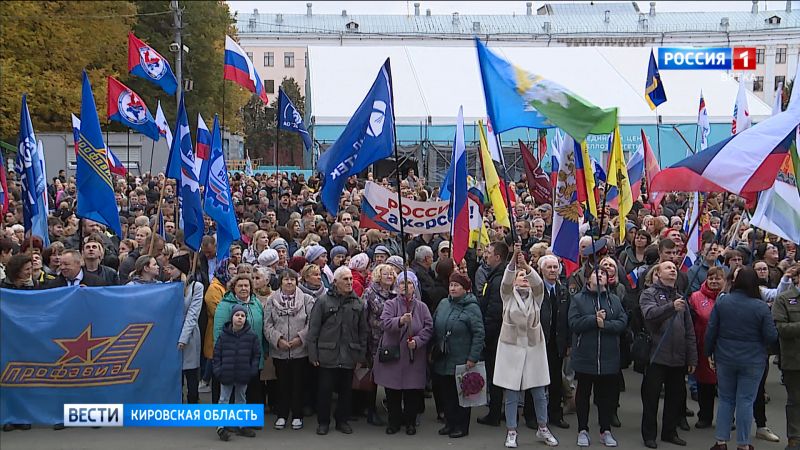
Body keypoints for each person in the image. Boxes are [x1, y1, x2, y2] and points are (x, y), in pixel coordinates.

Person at [705, 266, 778, 450]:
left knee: (726, 399)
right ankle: (743, 444)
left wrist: (708, 352)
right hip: (753, 359)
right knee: (746, 400)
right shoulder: (761, 306)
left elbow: (711, 329)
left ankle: (721, 441)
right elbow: (771, 336)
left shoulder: (723, 302)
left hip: (725, 356)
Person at [496, 244, 558, 448]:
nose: (523, 279)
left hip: (533, 349)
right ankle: (511, 431)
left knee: (539, 392)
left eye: (526, 277)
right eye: (520, 276)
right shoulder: (507, 297)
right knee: (512, 394)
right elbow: (505, 280)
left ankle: (543, 428)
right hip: (511, 351)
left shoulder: (537, 297)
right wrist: (514, 260)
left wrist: (527, 267)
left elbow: (539, 284)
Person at [639, 261, 697, 449]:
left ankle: (669, 432)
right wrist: (671, 307)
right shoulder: (649, 294)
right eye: (668, 267)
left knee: (675, 397)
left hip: (678, 356)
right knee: (651, 398)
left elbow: (689, 330)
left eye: (674, 268)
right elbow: (650, 315)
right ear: (658, 273)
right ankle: (649, 435)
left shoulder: (681, 297)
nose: (672, 270)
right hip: (657, 354)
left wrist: (692, 357)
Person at [568, 267, 627, 448]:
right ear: (588, 278)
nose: (600, 275)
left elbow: (622, 322)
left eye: (604, 274)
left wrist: (605, 325)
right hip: (586, 355)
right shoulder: (578, 299)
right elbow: (574, 323)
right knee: (583, 394)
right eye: (596, 273)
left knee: (605, 397)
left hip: (609, 356)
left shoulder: (614, 300)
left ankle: (605, 430)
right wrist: (593, 319)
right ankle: (582, 430)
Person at [307, 266, 368, 436]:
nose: (349, 282)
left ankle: (342, 420)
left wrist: (361, 355)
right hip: (327, 354)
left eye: (350, 279)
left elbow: (363, 331)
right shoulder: (323, 301)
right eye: (345, 279)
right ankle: (323, 422)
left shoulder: (358, 303)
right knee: (325, 391)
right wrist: (313, 353)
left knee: (346, 391)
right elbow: (314, 329)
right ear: (335, 282)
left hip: (349, 354)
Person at [373, 270, 433, 436]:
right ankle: (394, 422)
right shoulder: (391, 304)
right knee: (392, 393)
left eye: (409, 284)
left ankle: (410, 422)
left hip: (413, 357)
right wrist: (399, 321)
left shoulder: (421, 307)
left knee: (411, 393)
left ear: (414, 287)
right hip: (394, 355)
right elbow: (384, 323)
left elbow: (428, 328)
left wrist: (418, 341)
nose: (405, 287)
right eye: (402, 284)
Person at [431, 272, 485, 439]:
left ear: (465, 289)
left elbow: (479, 333)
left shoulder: (472, 308)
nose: (453, 288)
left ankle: (461, 426)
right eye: (451, 285)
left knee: (461, 394)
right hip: (443, 357)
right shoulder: (443, 303)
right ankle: (449, 422)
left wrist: (472, 357)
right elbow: (435, 323)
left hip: (462, 357)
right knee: (446, 393)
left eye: (457, 286)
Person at [263, 269, 315, 431]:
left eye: (292, 279)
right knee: (282, 384)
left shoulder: (307, 300)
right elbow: (267, 324)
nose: (289, 282)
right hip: (280, 351)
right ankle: (282, 415)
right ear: (281, 282)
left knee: (298, 384)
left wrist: (300, 338)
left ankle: (297, 415)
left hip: (300, 350)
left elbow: (311, 323)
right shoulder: (272, 300)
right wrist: (278, 340)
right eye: (286, 279)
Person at [214, 274, 265, 410]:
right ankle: (227, 424)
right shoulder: (225, 305)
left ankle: (247, 423)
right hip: (230, 360)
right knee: (229, 396)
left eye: (246, 285)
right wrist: (219, 364)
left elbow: (263, 328)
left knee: (251, 392)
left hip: (252, 357)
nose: (244, 288)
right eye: (240, 286)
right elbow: (219, 332)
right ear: (233, 288)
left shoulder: (256, 303)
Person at [213, 305, 261, 441]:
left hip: (242, 373)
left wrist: (252, 370)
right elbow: (217, 354)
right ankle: (220, 427)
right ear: (232, 317)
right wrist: (218, 370)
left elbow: (256, 354)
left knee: (241, 399)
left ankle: (241, 424)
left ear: (245, 319)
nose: (240, 318)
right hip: (226, 373)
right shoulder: (223, 336)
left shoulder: (251, 336)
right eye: (237, 315)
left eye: (242, 316)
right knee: (224, 399)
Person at [688, 266, 726, 429]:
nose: (714, 281)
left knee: (726, 387)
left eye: (718, 278)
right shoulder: (696, 297)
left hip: (725, 348)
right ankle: (704, 416)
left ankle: (726, 419)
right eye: (711, 278)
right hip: (703, 347)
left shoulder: (729, 297)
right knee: (705, 385)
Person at [477, 241, 510, 427]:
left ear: (497, 257)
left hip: (496, 336)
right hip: (498, 335)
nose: (486, 255)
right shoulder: (497, 276)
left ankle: (495, 412)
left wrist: (486, 336)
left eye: (489, 252)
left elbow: (493, 312)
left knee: (496, 376)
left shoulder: (498, 279)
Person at [362, 263, 398, 426]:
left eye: (391, 274)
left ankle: (393, 408)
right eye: (386, 274)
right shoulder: (370, 293)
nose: (389, 276)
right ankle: (370, 410)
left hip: (392, 339)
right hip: (374, 339)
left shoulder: (397, 293)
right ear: (378, 276)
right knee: (373, 377)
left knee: (392, 373)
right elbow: (363, 316)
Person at [164, 254, 203, 404]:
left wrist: (183, 338)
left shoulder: (195, 287)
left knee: (191, 370)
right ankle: (176, 401)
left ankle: (193, 401)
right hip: (171, 333)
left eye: (172, 268)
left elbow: (193, 315)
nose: (168, 271)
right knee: (175, 371)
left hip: (189, 334)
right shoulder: (167, 285)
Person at [773, 264, 800, 450]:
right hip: (794, 359)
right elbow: (781, 329)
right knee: (795, 401)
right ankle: (795, 438)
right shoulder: (784, 299)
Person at [203, 258, 232, 398]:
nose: (233, 273)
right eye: (230, 270)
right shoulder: (214, 288)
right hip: (216, 333)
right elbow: (218, 311)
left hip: (225, 336)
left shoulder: (224, 285)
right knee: (217, 375)